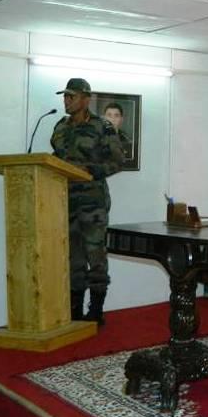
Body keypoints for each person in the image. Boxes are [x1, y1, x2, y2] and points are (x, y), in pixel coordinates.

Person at [51, 78, 124, 325]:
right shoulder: (60, 127)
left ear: (85, 99)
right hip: (65, 200)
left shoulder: (102, 127)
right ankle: (74, 310)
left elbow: (116, 162)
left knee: (96, 256)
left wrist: (88, 170)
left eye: (71, 96)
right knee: (74, 257)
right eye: (65, 96)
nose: (66, 100)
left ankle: (96, 310)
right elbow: (56, 158)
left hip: (93, 202)